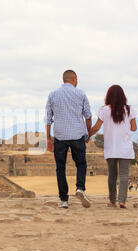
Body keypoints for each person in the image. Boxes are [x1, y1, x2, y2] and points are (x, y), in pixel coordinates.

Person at [45, 70, 92, 209]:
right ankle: (80, 188)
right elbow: (88, 116)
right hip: (77, 135)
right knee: (81, 164)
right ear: (74, 79)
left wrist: (48, 138)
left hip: (60, 136)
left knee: (60, 168)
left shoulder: (53, 94)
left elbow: (48, 119)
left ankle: (64, 200)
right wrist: (88, 134)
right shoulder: (81, 94)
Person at [88, 85, 137, 209]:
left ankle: (112, 201)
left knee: (112, 175)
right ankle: (122, 201)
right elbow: (134, 128)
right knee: (124, 175)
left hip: (111, 148)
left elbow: (96, 127)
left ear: (108, 96)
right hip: (125, 148)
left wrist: (87, 136)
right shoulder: (130, 110)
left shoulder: (104, 110)